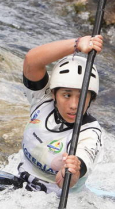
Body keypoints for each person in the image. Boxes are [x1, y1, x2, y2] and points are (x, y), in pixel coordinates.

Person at [18, 35, 104, 196]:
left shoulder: (90, 132)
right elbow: (31, 61)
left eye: (82, 96)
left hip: (52, 200)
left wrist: (70, 171)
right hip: (20, 183)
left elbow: (65, 182)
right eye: (66, 95)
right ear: (54, 93)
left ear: (91, 98)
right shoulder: (42, 99)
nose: (73, 105)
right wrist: (77, 44)